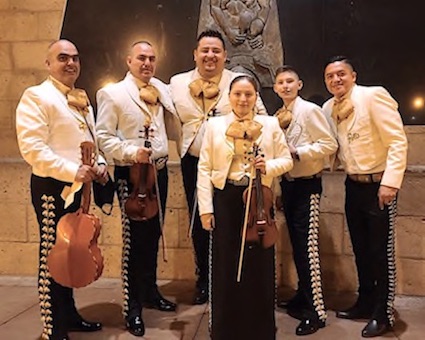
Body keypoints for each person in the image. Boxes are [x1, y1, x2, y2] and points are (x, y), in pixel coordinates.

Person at [15, 39, 104, 340]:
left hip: (79, 186)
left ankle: (69, 315)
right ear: (48, 63)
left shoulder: (80, 97)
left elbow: (92, 139)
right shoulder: (37, 96)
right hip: (51, 188)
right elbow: (32, 148)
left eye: (75, 58)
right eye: (63, 58)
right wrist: (70, 170)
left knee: (74, 253)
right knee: (53, 255)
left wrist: (100, 164)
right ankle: (53, 327)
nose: (70, 63)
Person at [169, 29, 266, 305]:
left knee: (233, 221)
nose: (210, 56)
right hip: (193, 161)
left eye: (216, 51)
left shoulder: (237, 81)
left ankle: (233, 279)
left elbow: (260, 116)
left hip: (232, 164)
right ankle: (204, 280)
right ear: (195, 54)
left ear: (225, 55)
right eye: (205, 50)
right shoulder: (176, 83)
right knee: (200, 221)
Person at [197, 75, 293, 339]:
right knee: (225, 266)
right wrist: (206, 209)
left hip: (258, 201)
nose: (243, 100)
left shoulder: (270, 124)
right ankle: (225, 329)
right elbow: (204, 168)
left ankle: (259, 330)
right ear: (229, 96)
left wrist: (268, 166)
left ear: (255, 97)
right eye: (237, 94)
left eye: (248, 94)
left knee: (259, 266)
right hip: (226, 199)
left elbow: (286, 161)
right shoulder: (215, 125)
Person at [96, 41, 180, 337]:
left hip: (158, 172)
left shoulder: (161, 91)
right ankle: (131, 307)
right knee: (134, 240)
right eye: (141, 58)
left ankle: (149, 292)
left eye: (152, 58)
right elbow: (103, 137)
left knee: (154, 233)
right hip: (129, 173)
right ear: (128, 60)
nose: (147, 63)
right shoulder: (112, 93)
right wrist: (132, 152)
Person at [322, 56, 408, 338]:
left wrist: (390, 183)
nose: (336, 80)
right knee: (360, 249)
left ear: (353, 75)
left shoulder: (373, 96)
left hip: (378, 186)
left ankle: (383, 313)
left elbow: (397, 140)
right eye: (330, 76)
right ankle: (366, 300)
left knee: (380, 251)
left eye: (341, 74)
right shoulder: (329, 107)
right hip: (353, 185)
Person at [273, 66, 338, 335]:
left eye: (290, 81)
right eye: (280, 82)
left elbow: (329, 144)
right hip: (288, 186)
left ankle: (317, 312)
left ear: (299, 84)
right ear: (275, 88)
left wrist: (297, 152)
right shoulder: (278, 116)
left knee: (308, 251)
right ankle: (302, 296)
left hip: (307, 186)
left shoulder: (310, 110)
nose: (285, 86)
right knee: (298, 248)